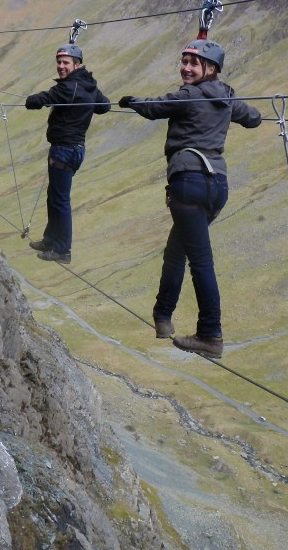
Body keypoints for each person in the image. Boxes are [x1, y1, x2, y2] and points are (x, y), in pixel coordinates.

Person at [118, 38, 261, 358]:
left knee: (200, 262)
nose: (185, 68)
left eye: (193, 63)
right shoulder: (226, 98)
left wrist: (131, 101)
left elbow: (155, 107)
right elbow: (253, 118)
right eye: (184, 61)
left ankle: (210, 335)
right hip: (217, 187)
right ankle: (163, 317)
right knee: (176, 250)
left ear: (210, 69)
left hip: (188, 183)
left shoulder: (190, 95)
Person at [24, 44, 111, 264]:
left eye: (66, 63)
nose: (61, 66)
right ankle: (50, 239)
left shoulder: (67, 88)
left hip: (64, 150)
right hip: (74, 150)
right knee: (55, 196)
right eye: (59, 62)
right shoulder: (88, 85)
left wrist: (29, 100)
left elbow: (39, 100)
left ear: (77, 64)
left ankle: (62, 251)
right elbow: (104, 106)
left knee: (60, 200)